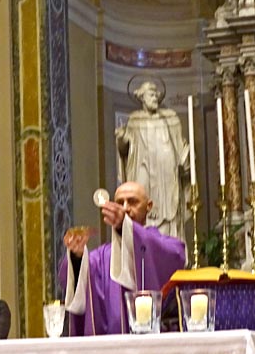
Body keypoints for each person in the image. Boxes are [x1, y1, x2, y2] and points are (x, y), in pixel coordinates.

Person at [59, 181, 186, 336]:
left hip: (151, 343)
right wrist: (77, 256)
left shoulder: (163, 245)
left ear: (149, 206)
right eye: (120, 203)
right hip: (110, 345)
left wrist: (125, 227)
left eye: (133, 202)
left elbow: (175, 256)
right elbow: (73, 279)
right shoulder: (101, 257)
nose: (125, 208)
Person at [115, 80, 189, 239]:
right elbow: (125, 151)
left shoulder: (169, 118)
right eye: (151, 95)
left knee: (169, 208)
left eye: (156, 95)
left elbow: (179, 145)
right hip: (143, 170)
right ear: (142, 98)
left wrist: (186, 158)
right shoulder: (134, 121)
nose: (155, 98)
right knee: (141, 201)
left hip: (166, 176)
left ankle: (169, 243)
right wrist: (121, 139)